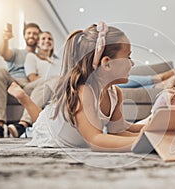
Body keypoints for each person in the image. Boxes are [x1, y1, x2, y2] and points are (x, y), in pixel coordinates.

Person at [8, 22, 144, 152]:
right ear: (106, 64)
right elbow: (96, 141)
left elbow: (118, 131)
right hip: (51, 135)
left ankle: (25, 98)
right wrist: (146, 142)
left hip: (70, 132)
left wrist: (150, 134)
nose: (132, 63)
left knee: (49, 115)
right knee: (43, 120)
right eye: (128, 57)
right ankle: (24, 98)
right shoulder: (84, 92)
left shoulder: (115, 93)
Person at [0, 22, 41, 138]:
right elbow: (3, 53)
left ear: (39, 37)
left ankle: (21, 126)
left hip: (30, 85)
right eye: (29, 33)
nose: (32, 36)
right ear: (24, 35)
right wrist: (5, 40)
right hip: (13, 81)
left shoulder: (40, 58)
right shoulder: (17, 52)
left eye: (35, 34)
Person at [7, 31, 61, 138]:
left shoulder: (57, 62)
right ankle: (23, 124)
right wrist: (50, 80)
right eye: (43, 39)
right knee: (50, 81)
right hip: (34, 87)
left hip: (53, 89)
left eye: (50, 39)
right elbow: (32, 77)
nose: (47, 41)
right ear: (38, 44)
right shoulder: (32, 57)